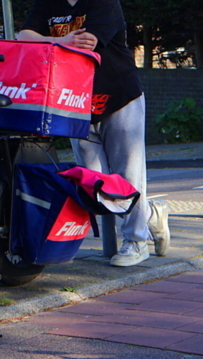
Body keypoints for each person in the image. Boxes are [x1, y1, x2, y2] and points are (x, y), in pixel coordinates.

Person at [19, 0, 169, 267]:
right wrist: (60, 40)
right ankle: (150, 216)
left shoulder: (103, 2)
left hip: (118, 98)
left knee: (127, 174)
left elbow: (85, 43)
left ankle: (136, 241)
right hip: (76, 102)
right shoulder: (48, 3)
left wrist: (53, 42)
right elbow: (24, 37)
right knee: (93, 183)